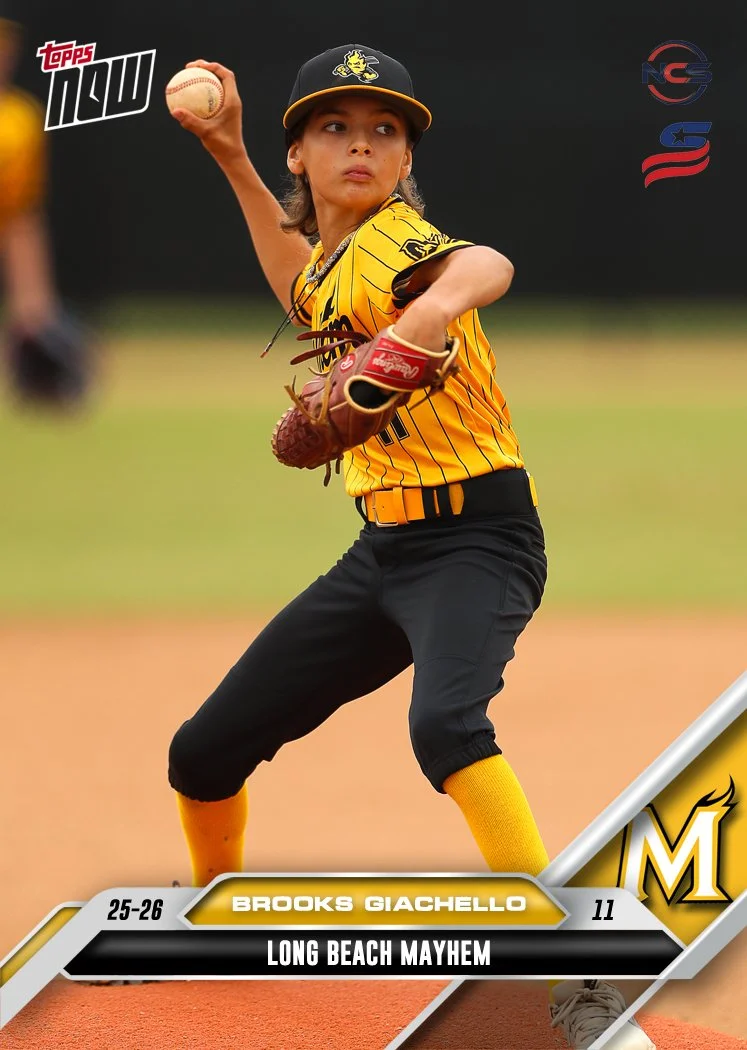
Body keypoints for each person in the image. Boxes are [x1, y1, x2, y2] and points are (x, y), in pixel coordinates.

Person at [167, 44, 655, 1050]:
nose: (360, 145)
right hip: (381, 553)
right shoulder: (334, 265)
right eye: (335, 127)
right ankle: (213, 926)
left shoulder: (401, 245)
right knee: (202, 754)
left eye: (383, 130)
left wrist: (432, 310)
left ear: (405, 160)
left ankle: (578, 980)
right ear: (298, 152)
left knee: (446, 727)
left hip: (480, 540)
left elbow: (485, 265)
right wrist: (228, 154)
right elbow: (300, 287)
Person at [0, 11, 91, 406]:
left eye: (6, 48)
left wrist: (34, 305)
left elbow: (21, 216)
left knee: (39, 323)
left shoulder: (21, 119)